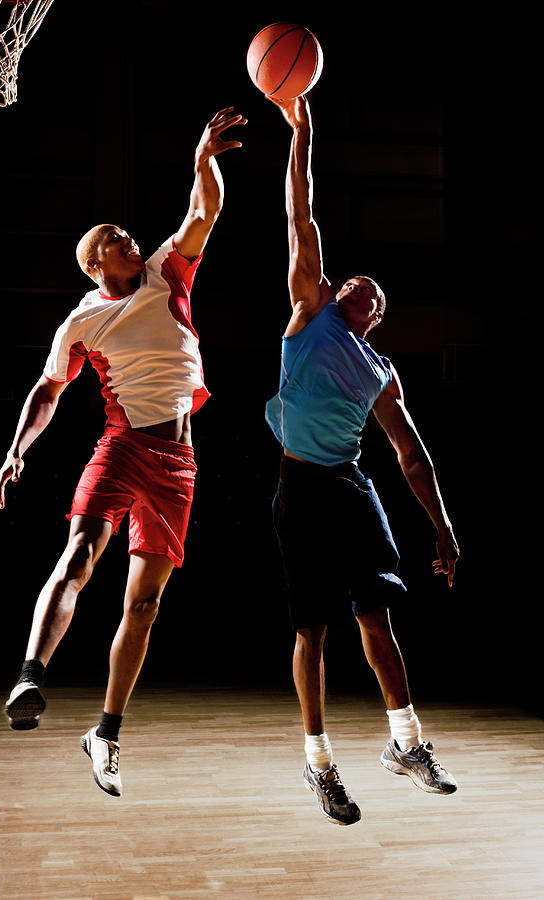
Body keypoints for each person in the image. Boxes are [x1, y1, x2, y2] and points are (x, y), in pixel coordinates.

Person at [0, 107, 246, 798]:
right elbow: (48, 390)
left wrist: (202, 157)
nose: (128, 238)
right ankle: (29, 676)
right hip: (121, 446)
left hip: (179, 465)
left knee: (142, 607)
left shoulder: (168, 272)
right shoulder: (81, 319)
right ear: (93, 262)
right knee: (78, 556)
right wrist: (18, 450)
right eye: (113, 238)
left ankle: (104, 733)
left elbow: (206, 211)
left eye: (128, 232)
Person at [265, 95, 460, 826]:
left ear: (376, 318)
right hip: (299, 486)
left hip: (351, 487)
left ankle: (406, 744)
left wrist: (442, 528)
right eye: (353, 282)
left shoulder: (379, 370)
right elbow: (300, 215)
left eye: (371, 294)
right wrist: (303, 133)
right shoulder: (309, 313)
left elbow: (412, 453)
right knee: (310, 631)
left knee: (377, 617)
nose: (358, 287)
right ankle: (319, 765)